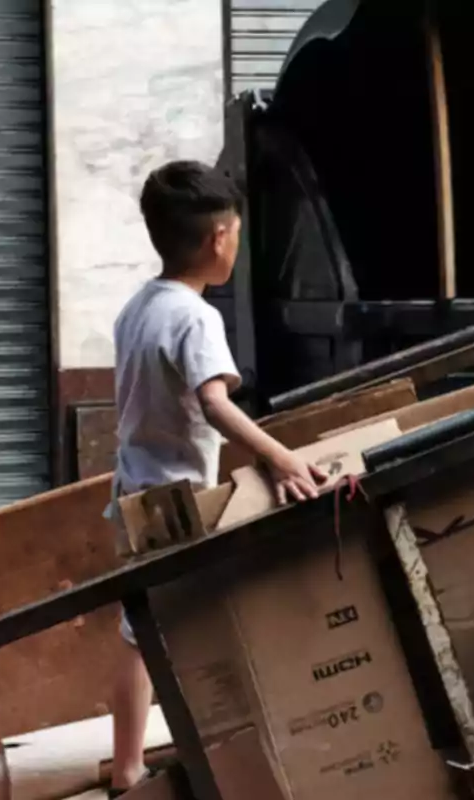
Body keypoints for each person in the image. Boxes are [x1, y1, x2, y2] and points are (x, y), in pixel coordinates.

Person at [104, 160, 328, 796]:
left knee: (138, 635)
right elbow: (215, 404)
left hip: (134, 489)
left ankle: (127, 769)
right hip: (177, 502)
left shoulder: (138, 307)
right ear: (220, 239)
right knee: (202, 623)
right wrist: (280, 458)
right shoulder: (196, 318)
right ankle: (234, 750)